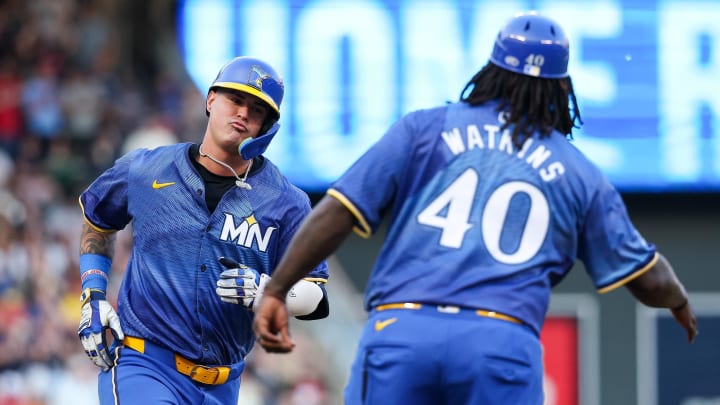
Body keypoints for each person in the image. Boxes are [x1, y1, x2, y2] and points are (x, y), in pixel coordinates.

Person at [252, 11, 699, 405]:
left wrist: (278, 289)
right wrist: (677, 300)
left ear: (491, 70)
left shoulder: (425, 128)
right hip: (500, 343)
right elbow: (647, 276)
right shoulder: (578, 170)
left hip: (404, 332)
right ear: (562, 87)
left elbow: (337, 212)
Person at [76, 56, 330, 404]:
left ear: (267, 126)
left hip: (224, 384)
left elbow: (315, 296)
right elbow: (98, 221)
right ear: (211, 100)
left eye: (256, 110)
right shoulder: (146, 168)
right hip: (145, 364)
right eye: (235, 100)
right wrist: (93, 294)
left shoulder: (287, 202)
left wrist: (267, 291)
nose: (242, 113)